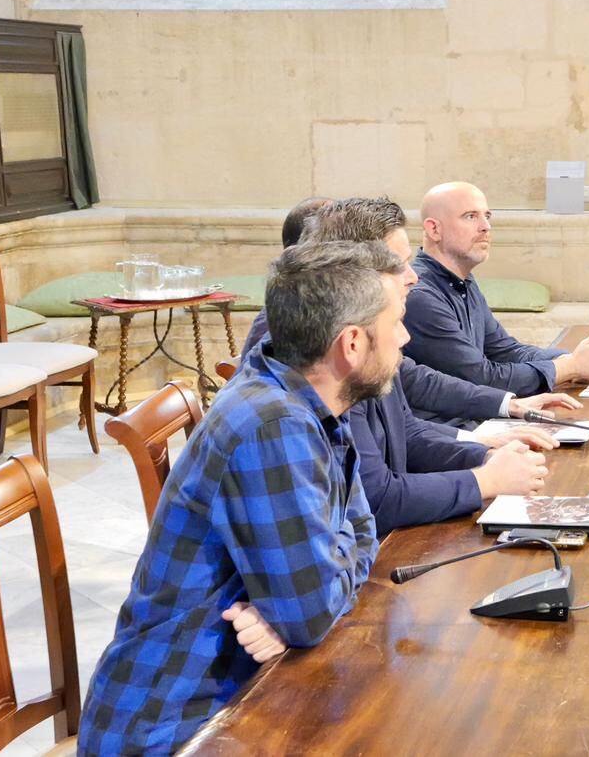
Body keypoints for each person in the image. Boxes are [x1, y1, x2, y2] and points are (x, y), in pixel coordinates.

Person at [80, 241, 399, 752]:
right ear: (353, 343)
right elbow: (311, 612)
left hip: (237, 690)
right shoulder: (275, 427)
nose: (403, 339)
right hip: (177, 723)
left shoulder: (298, 397)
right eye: (396, 324)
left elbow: (363, 529)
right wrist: (304, 606)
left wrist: (305, 599)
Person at [296, 197, 555, 536]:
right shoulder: (325, 354)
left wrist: (484, 455)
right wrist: (483, 480)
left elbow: (408, 434)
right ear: (355, 271)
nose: (413, 277)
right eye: (399, 264)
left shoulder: (366, 333)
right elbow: (376, 501)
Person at [242, 197, 580, 442]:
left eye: (487, 215)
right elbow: (374, 492)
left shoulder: (364, 318)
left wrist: (503, 416)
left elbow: (407, 412)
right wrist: (482, 473)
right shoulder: (314, 344)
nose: (412, 276)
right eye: (471, 216)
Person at [405, 182, 589, 395]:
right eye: (470, 216)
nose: (486, 227)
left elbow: (506, 352)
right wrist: (570, 367)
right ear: (434, 229)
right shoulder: (420, 296)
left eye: (487, 216)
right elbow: (480, 378)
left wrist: (580, 359)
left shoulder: (464, 282)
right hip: (447, 428)